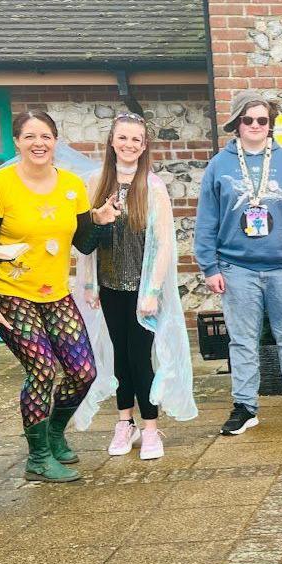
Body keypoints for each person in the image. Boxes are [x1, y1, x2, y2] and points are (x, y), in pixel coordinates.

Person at [0, 110, 105, 483]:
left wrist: (102, 222)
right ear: (17, 141)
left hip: (56, 294)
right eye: (30, 136)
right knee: (43, 370)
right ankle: (38, 457)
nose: (38, 143)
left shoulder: (72, 186)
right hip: (11, 293)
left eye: (45, 136)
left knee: (83, 372)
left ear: (55, 140)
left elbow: (83, 242)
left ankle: (53, 432)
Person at [195, 93, 282, 436]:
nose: (255, 127)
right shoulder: (219, 165)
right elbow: (206, 219)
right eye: (248, 120)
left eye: (262, 121)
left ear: (271, 124)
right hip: (236, 267)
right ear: (237, 123)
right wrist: (209, 267)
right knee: (242, 340)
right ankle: (244, 406)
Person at [73, 113, 197, 460]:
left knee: (141, 357)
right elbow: (84, 239)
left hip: (141, 290)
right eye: (123, 138)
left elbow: (163, 244)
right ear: (112, 141)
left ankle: (151, 428)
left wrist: (153, 291)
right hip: (110, 284)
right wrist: (88, 283)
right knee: (120, 357)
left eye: (136, 140)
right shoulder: (95, 182)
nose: (129, 145)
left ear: (144, 147)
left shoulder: (152, 187)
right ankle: (124, 422)